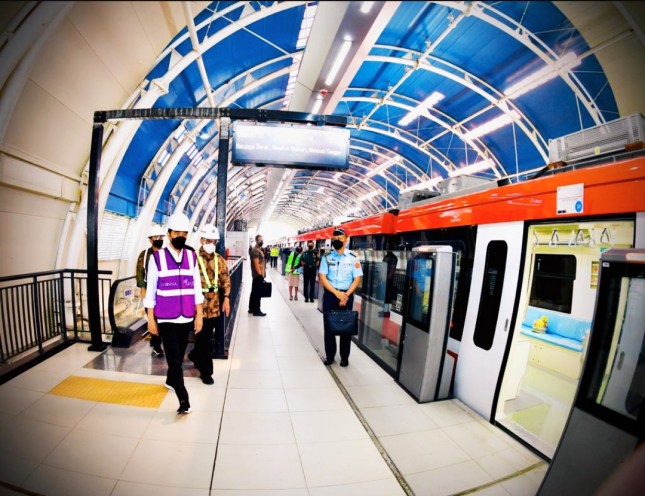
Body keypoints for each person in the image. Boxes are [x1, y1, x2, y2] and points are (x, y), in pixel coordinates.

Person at [144, 212, 204, 414]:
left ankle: (171, 380)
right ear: (168, 234)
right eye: (177, 232)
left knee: (178, 355)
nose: (181, 236)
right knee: (175, 360)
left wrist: (199, 314)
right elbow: (150, 289)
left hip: (186, 316)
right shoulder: (157, 258)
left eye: (184, 233)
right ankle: (183, 398)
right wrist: (150, 319)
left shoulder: (191, 256)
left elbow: (197, 287)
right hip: (166, 318)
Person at [188, 224, 231, 384]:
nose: (211, 244)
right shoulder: (192, 259)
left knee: (204, 339)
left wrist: (226, 298)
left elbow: (226, 279)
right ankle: (206, 372)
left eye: (214, 241)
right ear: (201, 240)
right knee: (204, 340)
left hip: (214, 306)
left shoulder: (219, 260)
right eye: (208, 240)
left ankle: (194, 355)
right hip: (197, 307)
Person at [318, 227, 363, 367]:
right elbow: (322, 278)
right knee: (329, 327)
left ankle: (344, 357)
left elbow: (357, 279)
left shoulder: (353, 258)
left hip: (347, 295)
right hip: (331, 295)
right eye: (334, 239)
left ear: (346, 240)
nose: (336, 241)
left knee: (346, 327)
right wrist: (337, 293)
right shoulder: (326, 257)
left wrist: (346, 295)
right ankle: (330, 356)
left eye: (339, 238)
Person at [135, 224, 166, 358]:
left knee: (163, 319)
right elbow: (140, 272)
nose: (158, 239)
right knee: (153, 318)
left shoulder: (166, 253)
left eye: (160, 236)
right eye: (156, 237)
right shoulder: (145, 255)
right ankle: (156, 345)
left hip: (164, 291)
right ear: (150, 239)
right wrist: (143, 289)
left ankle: (159, 342)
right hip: (149, 291)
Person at [248, 234, 267, 316]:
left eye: (262, 240)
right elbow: (256, 264)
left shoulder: (258, 249)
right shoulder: (256, 251)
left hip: (256, 275)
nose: (261, 241)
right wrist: (260, 276)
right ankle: (257, 310)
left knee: (254, 292)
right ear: (256, 240)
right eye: (260, 240)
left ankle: (251, 308)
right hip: (257, 275)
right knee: (257, 293)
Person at [381, 250, 399, 317]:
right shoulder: (387, 256)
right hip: (385, 279)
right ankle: (384, 310)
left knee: (388, 296)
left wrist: (387, 278)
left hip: (388, 280)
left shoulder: (393, 258)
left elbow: (392, 269)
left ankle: (386, 312)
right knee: (385, 296)